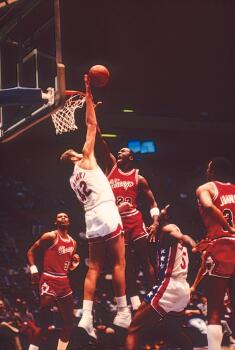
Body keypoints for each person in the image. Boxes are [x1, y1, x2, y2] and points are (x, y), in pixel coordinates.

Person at [60, 75, 131, 340]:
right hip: (105, 210)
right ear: (76, 156)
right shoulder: (86, 159)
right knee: (119, 263)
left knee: (94, 268)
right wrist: (88, 96)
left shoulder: (71, 178)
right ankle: (123, 310)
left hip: (90, 218)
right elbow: (91, 125)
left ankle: (86, 317)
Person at [96, 134, 159, 312]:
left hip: (135, 221)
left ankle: (155, 295)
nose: (119, 151)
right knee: (124, 264)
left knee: (145, 260)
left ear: (131, 157)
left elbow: (152, 203)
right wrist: (94, 122)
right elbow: (102, 143)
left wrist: (154, 223)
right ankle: (134, 300)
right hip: (117, 222)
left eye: (123, 150)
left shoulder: (139, 178)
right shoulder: (111, 167)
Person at [124, 204, 196, 350]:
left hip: (169, 285)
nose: (160, 211)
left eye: (163, 209)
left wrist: (193, 244)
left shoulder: (169, 228)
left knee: (133, 329)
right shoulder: (163, 234)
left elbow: (182, 237)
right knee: (173, 331)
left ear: (167, 215)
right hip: (182, 289)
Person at [192, 157, 235, 350]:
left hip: (221, 244)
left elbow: (208, 205)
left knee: (214, 309)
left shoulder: (205, 188)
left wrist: (228, 227)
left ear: (212, 171)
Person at [27, 212, 79, 350]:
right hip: (49, 279)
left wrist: (74, 264)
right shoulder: (50, 236)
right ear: (56, 222)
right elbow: (30, 251)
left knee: (69, 323)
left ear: (69, 222)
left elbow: (68, 265)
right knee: (43, 322)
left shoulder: (74, 242)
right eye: (59, 217)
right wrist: (33, 269)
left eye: (66, 216)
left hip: (64, 282)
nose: (63, 218)